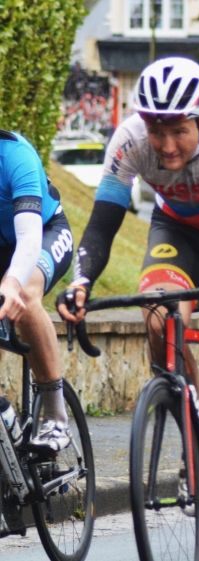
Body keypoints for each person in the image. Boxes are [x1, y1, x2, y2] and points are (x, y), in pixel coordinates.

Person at [58, 57, 199, 546]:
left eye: (178, 131)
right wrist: (80, 282)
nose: (165, 145)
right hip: (177, 231)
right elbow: (101, 226)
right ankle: (196, 422)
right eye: (155, 130)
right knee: (159, 319)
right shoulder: (129, 141)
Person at [0, 131, 74, 451]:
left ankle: (56, 416)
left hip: (44, 233)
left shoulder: (15, 155)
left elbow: (29, 237)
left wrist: (12, 283)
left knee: (26, 297)